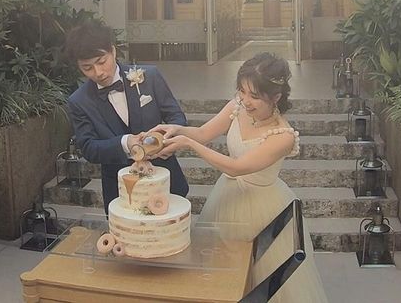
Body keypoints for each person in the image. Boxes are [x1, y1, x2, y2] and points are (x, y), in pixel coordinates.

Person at [150, 52, 328, 303]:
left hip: (263, 208)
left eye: (254, 96)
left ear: (276, 97)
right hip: (227, 197)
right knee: (218, 275)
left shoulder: (283, 136)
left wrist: (187, 144)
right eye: (242, 91)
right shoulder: (237, 106)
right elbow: (203, 133)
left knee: (258, 277)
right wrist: (177, 129)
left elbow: (236, 167)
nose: (246, 101)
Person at [65, 19, 189, 212]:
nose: (98, 72)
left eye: (101, 62)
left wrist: (166, 141)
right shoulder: (79, 101)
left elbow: (177, 118)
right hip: (121, 192)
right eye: (87, 68)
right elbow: (88, 148)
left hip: (165, 180)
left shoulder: (150, 76)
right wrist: (125, 142)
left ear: (113, 51)